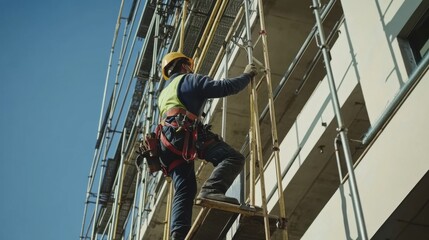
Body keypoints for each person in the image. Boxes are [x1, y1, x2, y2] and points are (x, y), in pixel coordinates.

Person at [157, 52, 258, 240]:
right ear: (184, 66)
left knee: (185, 188)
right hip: (183, 133)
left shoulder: (163, 94)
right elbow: (223, 87)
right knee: (233, 158)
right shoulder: (188, 80)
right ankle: (212, 191)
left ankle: (178, 235)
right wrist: (246, 76)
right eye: (189, 66)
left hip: (166, 143)